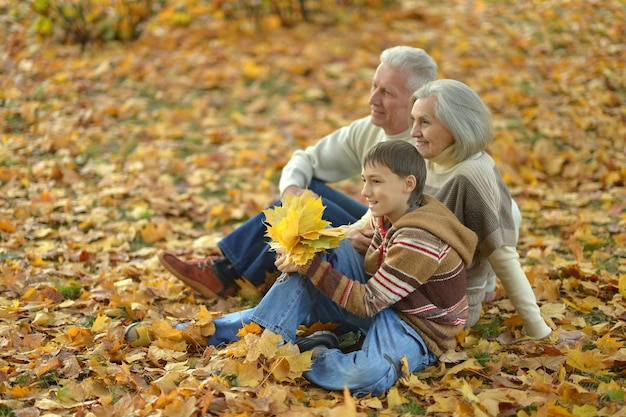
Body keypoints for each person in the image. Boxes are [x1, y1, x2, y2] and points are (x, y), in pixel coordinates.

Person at [129, 140, 478, 397]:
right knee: (322, 252)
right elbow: (343, 239)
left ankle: (307, 351)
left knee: (366, 377)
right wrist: (301, 252)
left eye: (375, 181)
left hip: (417, 326)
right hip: (386, 301)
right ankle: (209, 334)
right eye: (364, 180)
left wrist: (312, 267)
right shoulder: (391, 211)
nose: (364, 191)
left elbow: (369, 302)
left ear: (408, 184)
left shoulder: (418, 237)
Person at [157, 45, 438, 299]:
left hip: (387, 252)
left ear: (416, 101)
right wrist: (292, 190)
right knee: (307, 188)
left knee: (315, 204)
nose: (372, 99)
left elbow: (395, 230)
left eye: (386, 92)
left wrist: (343, 232)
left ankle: (228, 275)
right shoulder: (370, 128)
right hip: (365, 227)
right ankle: (230, 271)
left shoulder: (422, 148)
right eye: (374, 86)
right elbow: (306, 160)